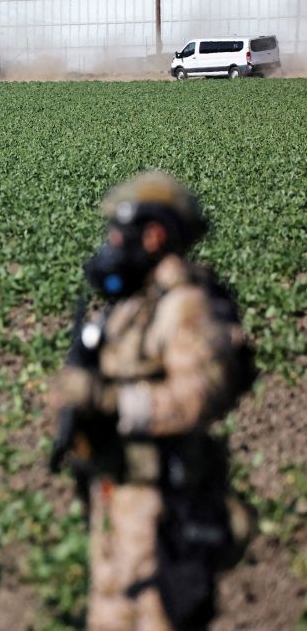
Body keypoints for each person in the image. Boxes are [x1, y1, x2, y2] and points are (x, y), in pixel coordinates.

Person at [51, 171, 254, 631]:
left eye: (121, 231)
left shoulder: (185, 307)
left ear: (156, 234)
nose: (113, 241)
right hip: (118, 495)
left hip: (163, 504)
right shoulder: (132, 306)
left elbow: (194, 399)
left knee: (157, 615)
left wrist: (109, 400)